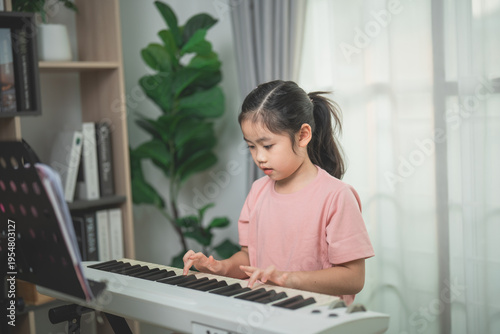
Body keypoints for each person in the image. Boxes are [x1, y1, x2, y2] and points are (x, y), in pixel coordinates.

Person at [183, 80, 374, 304]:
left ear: (303, 135)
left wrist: (288, 279)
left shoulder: (337, 196)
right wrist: (221, 267)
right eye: (251, 146)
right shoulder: (257, 191)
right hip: (266, 314)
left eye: (268, 145)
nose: (259, 157)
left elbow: (353, 278)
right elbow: (248, 258)